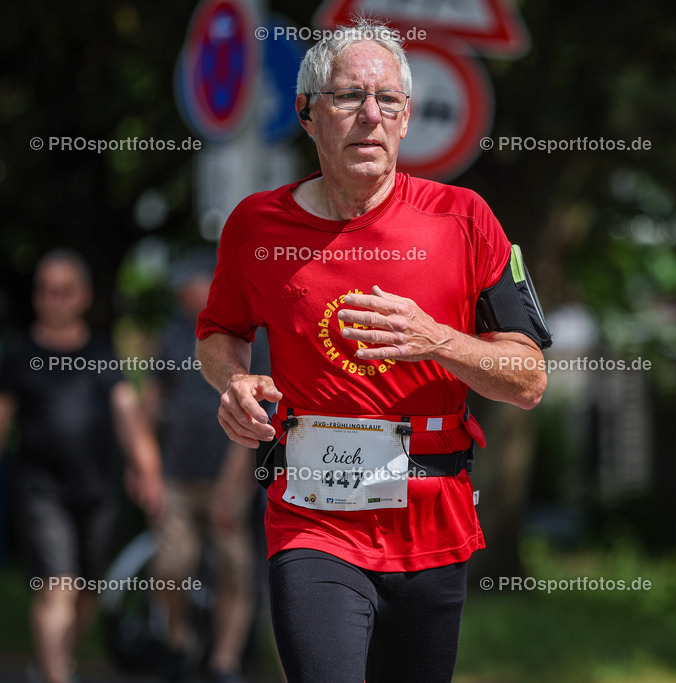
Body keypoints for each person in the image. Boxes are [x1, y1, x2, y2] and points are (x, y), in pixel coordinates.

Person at [195, 19, 551, 683]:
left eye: (387, 100)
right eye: (348, 97)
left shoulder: (465, 219)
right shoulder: (257, 226)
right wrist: (235, 382)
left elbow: (529, 378)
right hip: (312, 519)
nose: (370, 115)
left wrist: (435, 339)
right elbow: (219, 331)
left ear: (408, 118)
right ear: (307, 114)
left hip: (432, 518)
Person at [0, 249, 164, 683]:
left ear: (84, 296)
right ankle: (56, 675)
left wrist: (147, 470)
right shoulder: (19, 357)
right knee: (57, 584)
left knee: (88, 592)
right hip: (40, 491)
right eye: (45, 291)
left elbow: (127, 413)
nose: (53, 299)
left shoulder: (101, 352)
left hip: (97, 493)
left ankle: (57, 664)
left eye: (63, 291)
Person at [147, 256, 261, 683]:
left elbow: (258, 410)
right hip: (178, 473)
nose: (180, 293)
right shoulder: (175, 332)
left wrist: (230, 489)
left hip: (228, 477)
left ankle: (224, 663)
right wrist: (146, 468)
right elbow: (152, 403)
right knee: (170, 566)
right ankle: (179, 642)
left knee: (234, 569)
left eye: (188, 285)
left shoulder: (252, 334)